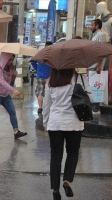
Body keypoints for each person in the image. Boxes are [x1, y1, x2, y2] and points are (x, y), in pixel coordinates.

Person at [43, 68, 93, 200]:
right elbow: (90, 97)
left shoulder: (50, 79)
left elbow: (46, 105)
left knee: (56, 155)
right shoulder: (79, 77)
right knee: (72, 152)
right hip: (74, 123)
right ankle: (67, 181)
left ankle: (55, 188)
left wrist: (45, 123)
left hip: (55, 123)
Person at [0, 52, 27, 139]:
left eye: (12, 60)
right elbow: (2, 82)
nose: (11, 61)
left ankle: (16, 131)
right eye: (9, 59)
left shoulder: (10, 68)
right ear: (4, 59)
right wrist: (14, 91)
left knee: (12, 112)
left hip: (5, 95)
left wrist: (14, 76)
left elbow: (9, 83)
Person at [31, 41, 53, 115]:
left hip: (40, 76)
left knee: (40, 92)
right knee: (48, 93)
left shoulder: (40, 53)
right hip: (49, 77)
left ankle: (40, 107)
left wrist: (37, 69)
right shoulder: (52, 55)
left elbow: (33, 61)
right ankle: (48, 107)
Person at [89, 19, 106, 111]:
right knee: (92, 85)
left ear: (97, 26)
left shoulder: (101, 35)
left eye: (92, 25)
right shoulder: (95, 35)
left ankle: (96, 107)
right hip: (92, 64)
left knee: (96, 85)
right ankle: (93, 105)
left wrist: (99, 65)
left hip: (96, 66)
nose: (90, 27)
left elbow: (101, 51)